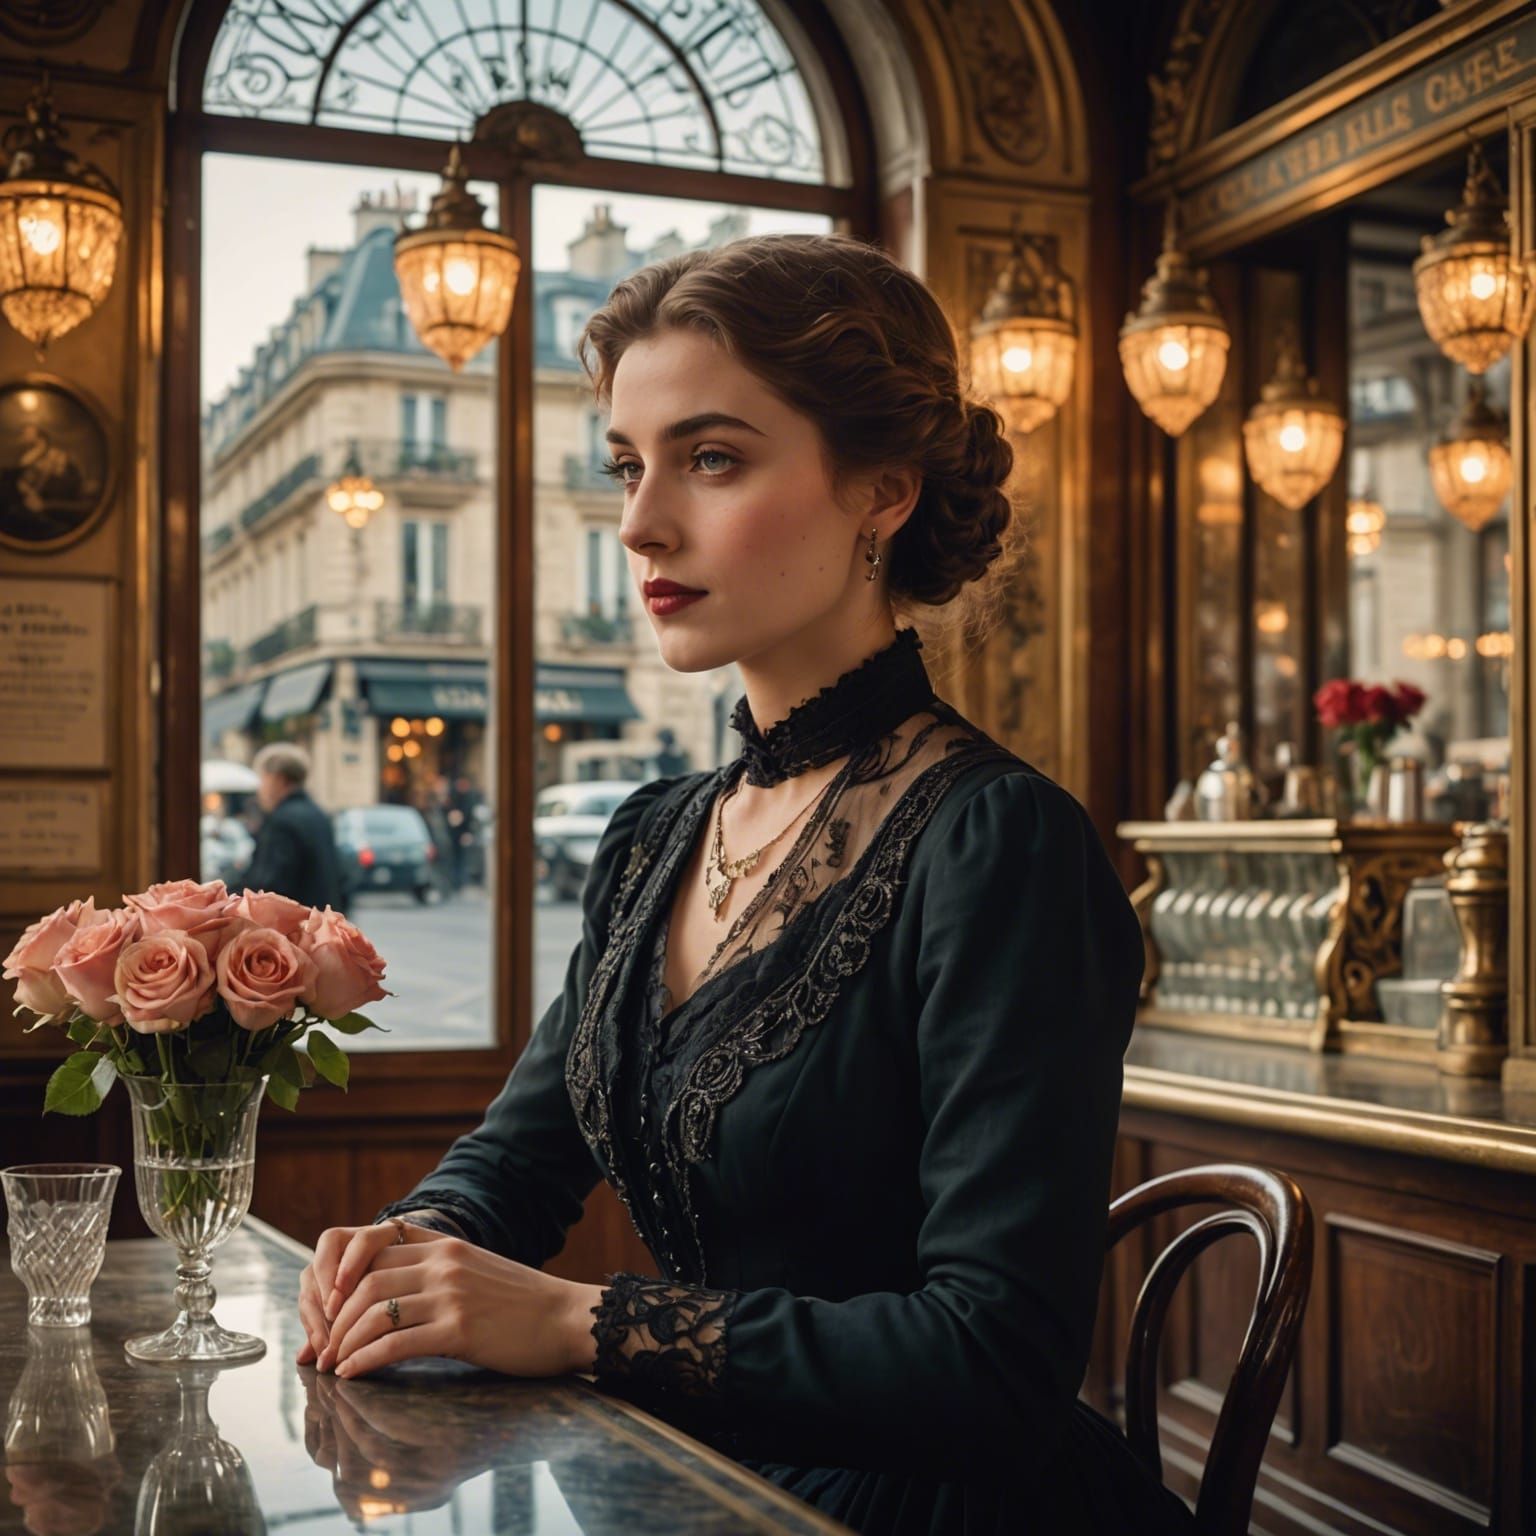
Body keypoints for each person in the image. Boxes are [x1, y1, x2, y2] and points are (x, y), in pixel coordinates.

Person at [293, 234, 1196, 1535]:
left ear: (882, 490)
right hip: (681, 1482)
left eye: (710, 459)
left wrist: (575, 1319)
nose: (641, 521)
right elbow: (521, 1159)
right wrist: (401, 1251)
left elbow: (995, 1359)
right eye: (626, 464)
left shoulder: (1001, 844)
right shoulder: (653, 835)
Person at [242, 742, 346, 913]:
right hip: (320, 924)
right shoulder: (318, 814)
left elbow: (267, 888)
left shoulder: (282, 821)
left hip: (294, 929)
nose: (259, 789)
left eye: (263, 778)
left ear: (277, 778)